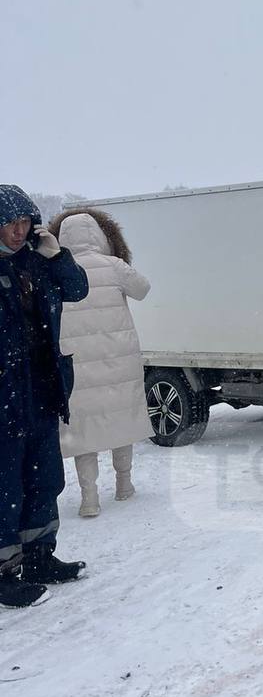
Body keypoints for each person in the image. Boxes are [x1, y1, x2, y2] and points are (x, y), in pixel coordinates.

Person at [0, 186, 89, 608]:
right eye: (9, 224)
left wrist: (57, 254)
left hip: (39, 389)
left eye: (24, 223)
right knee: (5, 485)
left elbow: (77, 290)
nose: (18, 232)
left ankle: (39, 556)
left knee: (44, 477)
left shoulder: (36, 262)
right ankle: (3, 572)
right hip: (4, 395)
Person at [48, 208, 152, 518]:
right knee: (122, 420)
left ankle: (89, 498)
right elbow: (144, 290)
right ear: (98, 235)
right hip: (118, 358)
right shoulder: (114, 266)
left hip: (78, 365)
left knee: (85, 431)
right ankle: (124, 484)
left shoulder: (58, 270)